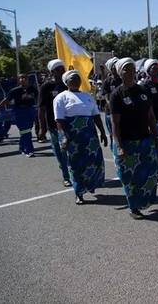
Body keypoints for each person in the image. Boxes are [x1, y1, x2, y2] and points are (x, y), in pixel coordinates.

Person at [110, 58, 158, 219]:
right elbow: (115, 124)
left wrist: (156, 136)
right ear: (120, 72)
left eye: (132, 69)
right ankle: (134, 207)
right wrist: (119, 146)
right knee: (130, 177)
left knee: (151, 174)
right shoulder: (117, 94)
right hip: (127, 142)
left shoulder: (142, 90)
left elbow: (151, 116)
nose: (130, 72)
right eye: (126, 69)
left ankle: (144, 201)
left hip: (145, 139)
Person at [54, 70, 108, 204]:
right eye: (73, 79)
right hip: (73, 137)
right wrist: (64, 137)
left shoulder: (87, 96)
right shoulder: (61, 97)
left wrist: (102, 132)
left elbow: (96, 116)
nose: (76, 81)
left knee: (94, 161)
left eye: (78, 78)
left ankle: (91, 185)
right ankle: (79, 193)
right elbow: (59, 120)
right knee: (76, 164)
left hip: (90, 136)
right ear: (67, 82)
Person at [37, 59, 71, 186]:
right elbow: (41, 108)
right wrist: (42, 128)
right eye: (59, 69)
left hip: (70, 124)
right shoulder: (46, 87)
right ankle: (66, 176)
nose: (62, 71)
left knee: (71, 151)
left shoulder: (68, 84)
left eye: (63, 68)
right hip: (54, 125)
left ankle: (75, 174)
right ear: (52, 72)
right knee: (61, 152)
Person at [0, 74, 38, 157]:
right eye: (20, 78)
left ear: (27, 79)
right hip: (19, 112)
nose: (22, 79)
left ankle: (22, 147)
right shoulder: (15, 90)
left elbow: (38, 98)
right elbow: (6, 100)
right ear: (18, 80)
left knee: (26, 131)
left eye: (24, 78)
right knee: (26, 131)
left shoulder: (32, 89)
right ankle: (29, 150)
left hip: (30, 111)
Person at [101, 57, 122, 148]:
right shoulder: (108, 81)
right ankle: (114, 149)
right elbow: (105, 94)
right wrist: (109, 103)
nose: (117, 68)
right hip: (110, 112)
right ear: (111, 69)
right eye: (115, 66)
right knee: (112, 132)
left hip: (123, 111)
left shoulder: (123, 79)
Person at [0, 75, 11, 142]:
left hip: (6, 107)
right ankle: (0, 137)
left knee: (8, 122)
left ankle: (3, 133)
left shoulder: (3, 85)